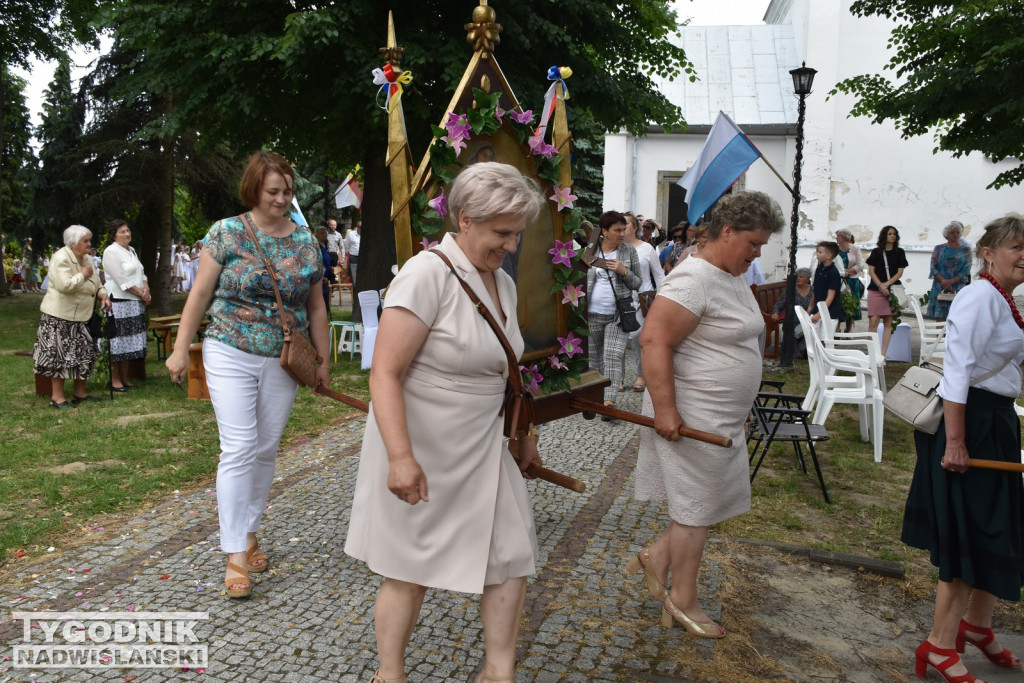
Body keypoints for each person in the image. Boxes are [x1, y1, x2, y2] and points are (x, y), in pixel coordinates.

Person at [344, 163, 544, 683]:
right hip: (423, 444)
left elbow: (508, 368)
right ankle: (390, 675)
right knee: (409, 569)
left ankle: (498, 673)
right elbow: (385, 374)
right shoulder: (425, 273)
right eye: (502, 232)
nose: (511, 245)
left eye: (517, 233)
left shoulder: (501, 282)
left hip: (483, 443)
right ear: (465, 219)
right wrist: (401, 458)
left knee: (510, 553)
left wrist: (525, 434)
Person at [165, 151, 330, 599]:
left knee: (265, 448)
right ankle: (235, 552)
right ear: (254, 189)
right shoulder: (227, 232)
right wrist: (181, 349)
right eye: (272, 191)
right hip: (229, 348)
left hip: (283, 356)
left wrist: (323, 359)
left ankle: (249, 529)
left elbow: (316, 307)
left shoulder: (306, 243)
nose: (281, 199)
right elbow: (200, 294)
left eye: (287, 191)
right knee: (238, 445)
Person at [630, 190, 784, 639]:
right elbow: (654, 341)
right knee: (695, 510)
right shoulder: (693, 279)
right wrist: (666, 411)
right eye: (753, 243)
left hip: (720, 416)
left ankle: (657, 558)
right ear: (727, 230)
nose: (757, 254)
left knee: (709, 501)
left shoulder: (729, 274)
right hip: (691, 416)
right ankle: (682, 600)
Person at [902, 213, 1024, 683]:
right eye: (1015, 248)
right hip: (969, 422)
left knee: (998, 526)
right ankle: (937, 643)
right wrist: (955, 442)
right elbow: (957, 372)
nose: (1023, 257)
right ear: (988, 254)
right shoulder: (979, 297)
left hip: (995, 421)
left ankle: (977, 626)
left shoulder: (1006, 299)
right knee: (970, 533)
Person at [32, 225, 113, 408]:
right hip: (60, 317)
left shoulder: (87, 259)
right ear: (72, 242)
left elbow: (98, 283)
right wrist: (83, 275)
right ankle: (57, 398)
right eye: (85, 241)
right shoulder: (61, 258)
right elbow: (64, 286)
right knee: (59, 358)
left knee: (84, 355)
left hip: (83, 317)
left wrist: (103, 295)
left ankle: (80, 393)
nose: (89, 244)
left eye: (89, 240)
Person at [586, 210, 642, 410]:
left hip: (618, 315)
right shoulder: (590, 250)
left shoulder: (629, 251)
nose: (622, 234)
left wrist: (623, 271)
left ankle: (609, 402)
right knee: (594, 359)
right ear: (604, 231)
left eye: (623, 229)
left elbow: (637, 283)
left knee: (613, 355)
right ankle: (594, 398)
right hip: (591, 314)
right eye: (617, 230)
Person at [102, 219, 151, 391]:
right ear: (113, 235)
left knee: (129, 341)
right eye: (122, 231)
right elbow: (121, 279)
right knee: (118, 341)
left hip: (134, 302)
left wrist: (146, 289)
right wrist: (140, 293)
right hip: (119, 302)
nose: (127, 234)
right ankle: (115, 379)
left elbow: (141, 273)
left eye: (128, 230)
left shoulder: (131, 251)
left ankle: (125, 377)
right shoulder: (111, 252)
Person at [622, 213, 665, 393]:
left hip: (642, 299)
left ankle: (641, 374)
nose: (621, 229)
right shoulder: (615, 248)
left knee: (638, 336)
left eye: (625, 225)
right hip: (620, 298)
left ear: (634, 228)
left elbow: (659, 276)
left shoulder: (647, 248)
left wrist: (663, 299)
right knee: (619, 337)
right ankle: (619, 376)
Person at [866, 225, 908, 357]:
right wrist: (880, 285)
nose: (892, 236)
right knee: (873, 321)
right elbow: (871, 270)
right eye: (889, 234)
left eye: (894, 234)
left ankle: (883, 355)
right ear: (884, 235)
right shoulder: (876, 252)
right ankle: (872, 353)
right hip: (876, 290)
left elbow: (900, 272)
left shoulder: (899, 252)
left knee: (888, 323)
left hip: (892, 291)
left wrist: (887, 285)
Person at [926, 220, 973, 321]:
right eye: (952, 232)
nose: (955, 234)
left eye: (957, 232)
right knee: (940, 318)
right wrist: (943, 281)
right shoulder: (938, 249)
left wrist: (951, 281)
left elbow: (967, 269)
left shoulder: (966, 250)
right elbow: (933, 267)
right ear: (946, 235)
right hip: (940, 286)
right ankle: (939, 337)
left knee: (957, 317)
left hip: (958, 286)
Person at [770, 267, 813, 359]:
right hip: (792, 319)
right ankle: (796, 353)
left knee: (810, 330)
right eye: (797, 276)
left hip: (807, 319)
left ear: (808, 279)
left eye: (801, 277)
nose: (798, 278)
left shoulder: (813, 290)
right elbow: (779, 303)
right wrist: (776, 312)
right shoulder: (790, 290)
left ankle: (803, 352)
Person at [836, 229, 865, 332]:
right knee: (838, 304)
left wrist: (848, 272)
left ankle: (848, 330)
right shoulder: (835, 249)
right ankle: (837, 329)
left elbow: (860, 264)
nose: (836, 238)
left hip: (852, 280)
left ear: (844, 237)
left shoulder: (855, 248)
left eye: (838, 236)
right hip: (838, 280)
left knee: (851, 305)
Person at [811, 241, 843, 329]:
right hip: (816, 309)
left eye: (820, 252)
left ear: (828, 256)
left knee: (825, 340)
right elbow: (815, 290)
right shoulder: (819, 269)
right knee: (814, 337)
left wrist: (820, 314)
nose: (817, 254)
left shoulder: (834, 273)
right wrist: (810, 308)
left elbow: (830, 296)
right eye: (817, 251)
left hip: (829, 313)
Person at [315, 226, 337, 314]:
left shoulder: (324, 246)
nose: (324, 235)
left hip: (326, 278)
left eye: (325, 233)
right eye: (322, 233)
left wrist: (330, 267)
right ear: (316, 234)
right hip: (320, 279)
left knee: (325, 301)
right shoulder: (316, 247)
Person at [345, 221, 362, 287]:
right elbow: (347, 246)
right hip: (354, 257)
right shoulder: (351, 234)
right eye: (360, 227)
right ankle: (355, 286)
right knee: (354, 274)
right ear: (357, 227)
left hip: (362, 257)